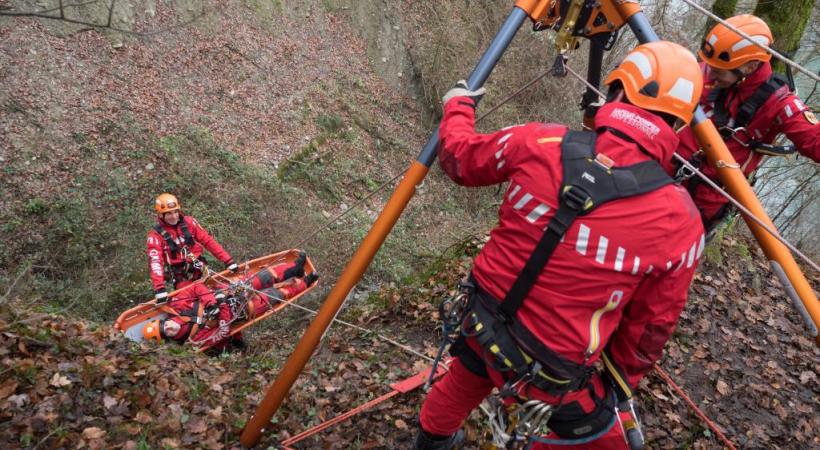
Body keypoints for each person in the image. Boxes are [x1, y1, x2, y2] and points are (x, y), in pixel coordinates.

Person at [414, 41, 705, 450]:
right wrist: (616, 382)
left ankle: (431, 441)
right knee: (599, 435)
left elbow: (460, 157)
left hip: (484, 315)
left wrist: (458, 106)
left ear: (617, 91)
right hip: (553, 366)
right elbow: (651, 324)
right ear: (677, 125)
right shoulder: (680, 220)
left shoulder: (538, 142)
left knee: (471, 368)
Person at [676, 14, 819, 233]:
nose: (709, 73)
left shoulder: (779, 104)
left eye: (717, 70)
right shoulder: (712, 69)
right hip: (666, 170)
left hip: (702, 199)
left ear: (750, 68)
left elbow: (815, 143)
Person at [142, 253, 318, 351]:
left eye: (165, 326)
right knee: (276, 294)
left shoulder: (177, 306)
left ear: (165, 321)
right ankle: (305, 282)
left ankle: (294, 268)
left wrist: (211, 301)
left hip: (228, 291)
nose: (169, 328)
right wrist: (223, 311)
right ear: (169, 338)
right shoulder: (195, 340)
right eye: (166, 333)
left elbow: (196, 288)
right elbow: (223, 331)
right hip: (239, 310)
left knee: (263, 276)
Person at [146, 193, 239, 302]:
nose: (174, 216)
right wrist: (160, 288)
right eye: (169, 213)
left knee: (219, 289)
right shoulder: (155, 236)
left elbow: (208, 241)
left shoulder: (189, 223)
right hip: (181, 275)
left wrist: (228, 260)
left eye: (176, 212)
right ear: (161, 215)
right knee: (197, 292)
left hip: (199, 268)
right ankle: (210, 304)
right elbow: (155, 262)